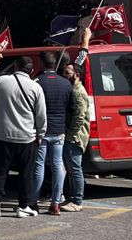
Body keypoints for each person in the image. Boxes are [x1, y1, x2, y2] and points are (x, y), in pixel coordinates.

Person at [0, 56, 46, 218]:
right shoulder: (35, 87)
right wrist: (40, 135)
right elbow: (41, 116)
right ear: (31, 70)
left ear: (15, 66)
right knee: (26, 173)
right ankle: (23, 206)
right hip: (26, 136)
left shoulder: (0, 82)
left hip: (1, 134)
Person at [30, 51, 75, 215]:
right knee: (57, 165)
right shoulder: (65, 83)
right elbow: (73, 107)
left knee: (39, 165)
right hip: (59, 130)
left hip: (41, 130)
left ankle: (33, 201)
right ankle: (55, 203)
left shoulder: (36, 82)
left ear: (42, 63)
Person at [60, 62, 89, 212]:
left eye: (67, 73)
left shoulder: (78, 92)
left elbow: (79, 117)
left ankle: (77, 201)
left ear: (76, 75)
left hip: (75, 137)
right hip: (73, 135)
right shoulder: (73, 89)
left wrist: (71, 135)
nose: (64, 75)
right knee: (71, 169)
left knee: (75, 169)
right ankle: (72, 198)